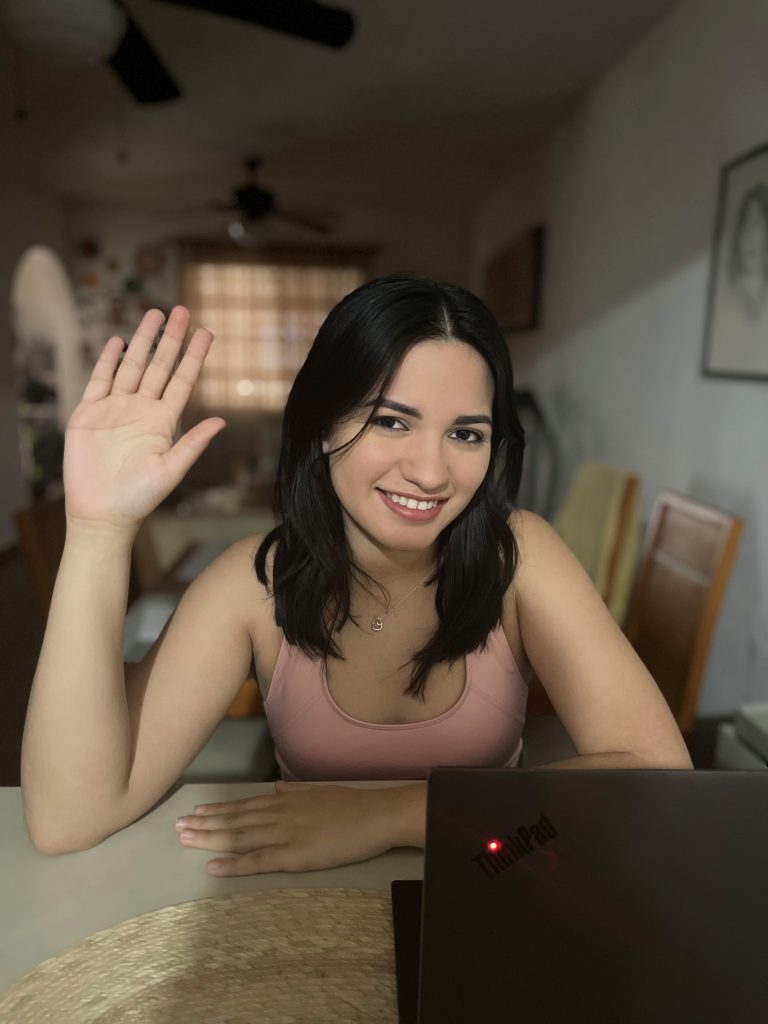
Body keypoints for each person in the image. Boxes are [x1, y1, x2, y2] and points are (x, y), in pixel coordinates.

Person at [21, 274, 692, 877]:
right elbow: (68, 819)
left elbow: (660, 777)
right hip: (305, 912)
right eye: (390, 421)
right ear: (320, 424)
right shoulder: (250, 584)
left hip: (491, 874)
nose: (431, 472)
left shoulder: (521, 557)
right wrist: (98, 532)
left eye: (466, 435)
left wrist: (390, 815)